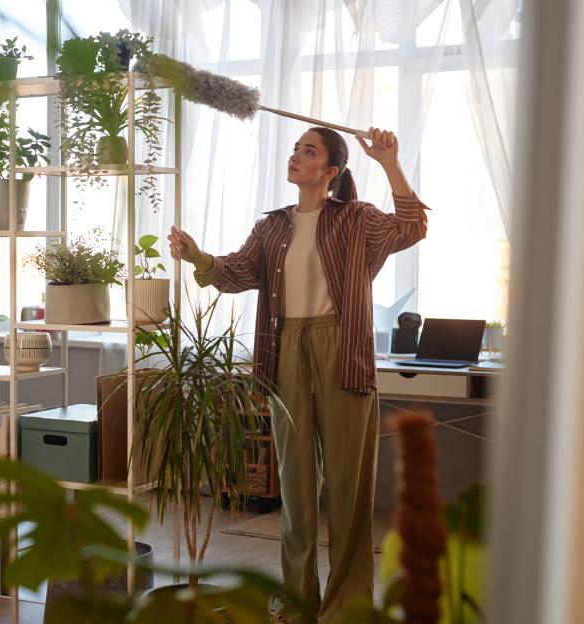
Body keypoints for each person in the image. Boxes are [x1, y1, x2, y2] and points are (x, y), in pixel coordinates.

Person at [168, 126, 430, 624]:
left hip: (342, 348)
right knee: (296, 485)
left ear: (330, 172)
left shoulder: (356, 219)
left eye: (307, 151)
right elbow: (234, 273)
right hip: (284, 348)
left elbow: (412, 226)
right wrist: (197, 255)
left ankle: (347, 607)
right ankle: (294, 605)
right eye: (294, 148)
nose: (295, 156)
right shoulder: (272, 227)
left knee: (350, 487)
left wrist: (390, 162)